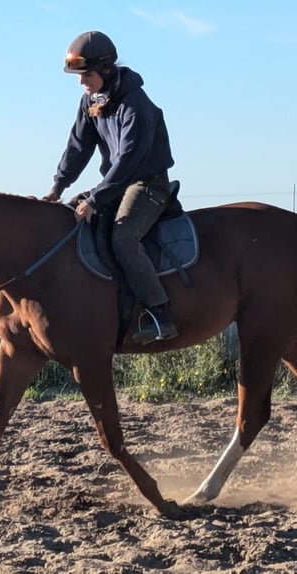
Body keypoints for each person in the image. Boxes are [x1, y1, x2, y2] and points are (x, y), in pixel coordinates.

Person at [43, 31, 178, 344]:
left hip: (147, 185)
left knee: (123, 237)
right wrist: (58, 187)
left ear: (105, 70)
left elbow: (130, 160)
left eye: (86, 75)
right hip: (115, 184)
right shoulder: (91, 99)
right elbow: (78, 147)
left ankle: (159, 312)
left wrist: (96, 198)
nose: (81, 83)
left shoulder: (136, 105)